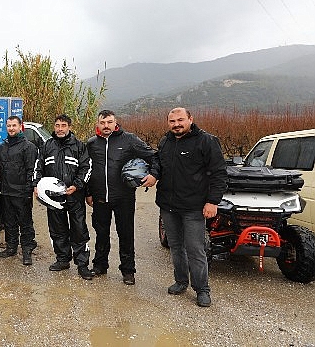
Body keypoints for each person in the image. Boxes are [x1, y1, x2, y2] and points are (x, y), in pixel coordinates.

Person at [151, 107, 227, 307]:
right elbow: (159, 164)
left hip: (194, 207)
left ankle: (202, 289)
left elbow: (219, 174)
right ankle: (181, 281)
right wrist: (153, 174)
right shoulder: (165, 141)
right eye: (172, 121)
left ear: (190, 119)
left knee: (195, 249)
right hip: (168, 206)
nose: (176, 124)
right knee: (176, 247)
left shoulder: (206, 141)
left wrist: (213, 201)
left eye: (180, 120)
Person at [85, 110, 157, 285]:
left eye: (109, 122)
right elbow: (86, 168)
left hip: (124, 197)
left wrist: (153, 174)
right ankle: (100, 265)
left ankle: (128, 270)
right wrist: (88, 192)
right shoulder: (92, 143)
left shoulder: (129, 140)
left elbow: (153, 155)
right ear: (98, 124)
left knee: (125, 234)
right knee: (101, 233)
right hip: (100, 197)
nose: (106, 126)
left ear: (115, 122)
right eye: (103, 122)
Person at [34, 114, 94, 280]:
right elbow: (38, 167)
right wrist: (36, 185)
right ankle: (62, 259)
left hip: (75, 196)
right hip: (53, 198)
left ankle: (82, 264)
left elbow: (86, 168)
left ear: (69, 127)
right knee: (57, 230)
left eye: (63, 125)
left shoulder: (79, 146)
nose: (60, 129)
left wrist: (77, 185)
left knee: (79, 230)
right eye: (57, 125)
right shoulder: (47, 146)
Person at [0, 116, 38, 265]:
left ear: (20, 126)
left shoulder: (29, 147)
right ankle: (11, 247)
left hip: (21, 193)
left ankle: (27, 250)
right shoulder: (3, 146)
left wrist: (28, 191)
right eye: (9, 126)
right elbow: (0, 169)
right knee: (9, 222)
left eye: (14, 125)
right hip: (6, 192)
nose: (11, 128)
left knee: (25, 223)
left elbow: (31, 170)